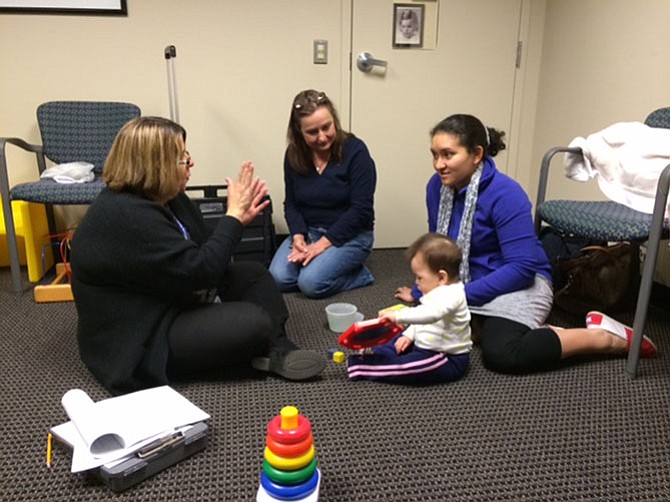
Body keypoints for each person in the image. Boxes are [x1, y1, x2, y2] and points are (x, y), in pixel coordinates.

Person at [71, 116, 325, 396]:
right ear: (156, 165)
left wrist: (237, 219)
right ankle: (264, 347)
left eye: (187, 156)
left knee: (254, 274)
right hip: (140, 335)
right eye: (182, 160)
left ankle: (277, 351)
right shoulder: (125, 214)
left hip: (167, 297)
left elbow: (205, 249)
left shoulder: (167, 197)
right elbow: (201, 271)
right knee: (253, 323)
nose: (190, 165)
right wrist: (233, 218)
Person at [394, 113, 657, 374]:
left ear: (476, 154)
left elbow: (521, 268)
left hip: (519, 282)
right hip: (470, 282)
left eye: (448, 154)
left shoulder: (506, 193)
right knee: (423, 332)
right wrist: (423, 293)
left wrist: (453, 296)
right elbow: (437, 250)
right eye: (434, 154)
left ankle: (604, 337)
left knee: (504, 353)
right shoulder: (436, 187)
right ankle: (510, 327)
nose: (438, 164)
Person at [269, 89, 377, 299]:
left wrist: (321, 246)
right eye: (312, 132)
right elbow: (291, 203)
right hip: (309, 231)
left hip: (351, 236)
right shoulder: (293, 155)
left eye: (326, 127)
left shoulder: (356, 151)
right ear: (299, 132)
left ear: (334, 120)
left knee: (310, 284)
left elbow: (361, 210)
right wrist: (299, 235)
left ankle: (360, 274)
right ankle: (321, 266)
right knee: (278, 279)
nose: (322, 137)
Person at [347, 232, 471, 384]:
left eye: (420, 277)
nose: (416, 282)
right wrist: (409, 335)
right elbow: (422, 319)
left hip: (445, 357)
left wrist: (398, 315)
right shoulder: (436, 290)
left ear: (441, 277)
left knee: (408, 367)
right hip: (425, 343)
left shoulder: (452, 295)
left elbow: (430, 315)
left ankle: (364, 367)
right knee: (399, 335)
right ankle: (379, 353)